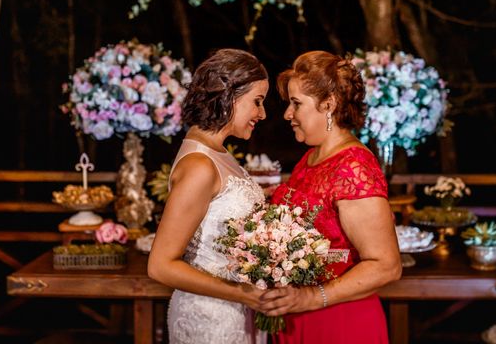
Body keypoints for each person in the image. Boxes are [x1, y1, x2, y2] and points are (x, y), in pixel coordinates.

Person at [259, 50, 401, 343]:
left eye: (296, 104)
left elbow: (386, 265)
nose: (288, 114)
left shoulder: (354, 167)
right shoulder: (311, 157)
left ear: (329, 105)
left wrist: (313, 297)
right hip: (298, 318)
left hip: (339, 322)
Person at [148, 48, 270, 344]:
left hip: (235, 310)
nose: (262, 114)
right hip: (211, 319)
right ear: (229, 95)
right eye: (257, 101)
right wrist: (241, 293)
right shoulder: (200, 164)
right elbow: (160, 265)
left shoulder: (216, 152)